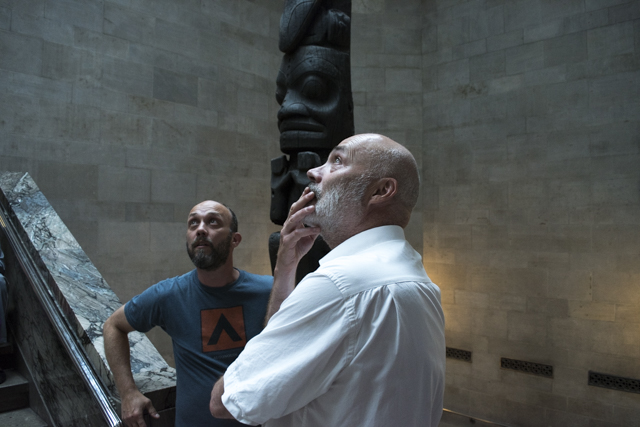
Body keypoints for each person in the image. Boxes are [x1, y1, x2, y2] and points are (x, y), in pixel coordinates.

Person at [210, 134, 446, 427]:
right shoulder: (419, 280)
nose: (313, 172)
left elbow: (226, 402)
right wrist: (287, 268)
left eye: (337, 161)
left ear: (381, 190)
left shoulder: (339, 286)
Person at [104, 201, 273, 427]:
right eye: (193, 223)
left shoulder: (268, 291)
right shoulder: (169, 295)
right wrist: (128, 392)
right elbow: (113, 326)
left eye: (213, 222)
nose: (201, 229)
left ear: (235, 240)